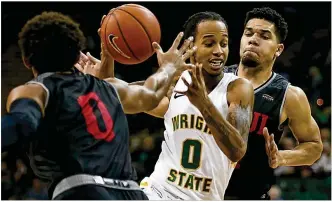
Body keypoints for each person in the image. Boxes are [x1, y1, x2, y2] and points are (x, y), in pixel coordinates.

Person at [1, 11, 196, 200]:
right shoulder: (109, 87)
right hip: (131, 194)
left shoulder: (37, 89)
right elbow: (151, 94)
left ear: (27, 61)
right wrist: (169, 67)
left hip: (80, 192)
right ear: (77, 55)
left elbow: (20, 122)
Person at [78, 11, 254, 200]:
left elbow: (237, 151)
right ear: (191, 46)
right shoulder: (174, 85)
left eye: (224, 44)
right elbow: (121, 100)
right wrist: (107, 57)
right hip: (158, 191)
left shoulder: (237, 88)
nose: (219, 50)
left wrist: (203, 103)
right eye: (209, 43)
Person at [222, 7, 323, 199]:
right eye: (248, 33)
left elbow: (314, 146)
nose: (253, 39)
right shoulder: (214, 80)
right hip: (200, 192)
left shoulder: (289, 95)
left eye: (264, 36)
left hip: (247, 195)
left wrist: (282, 157)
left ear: (279, 49)